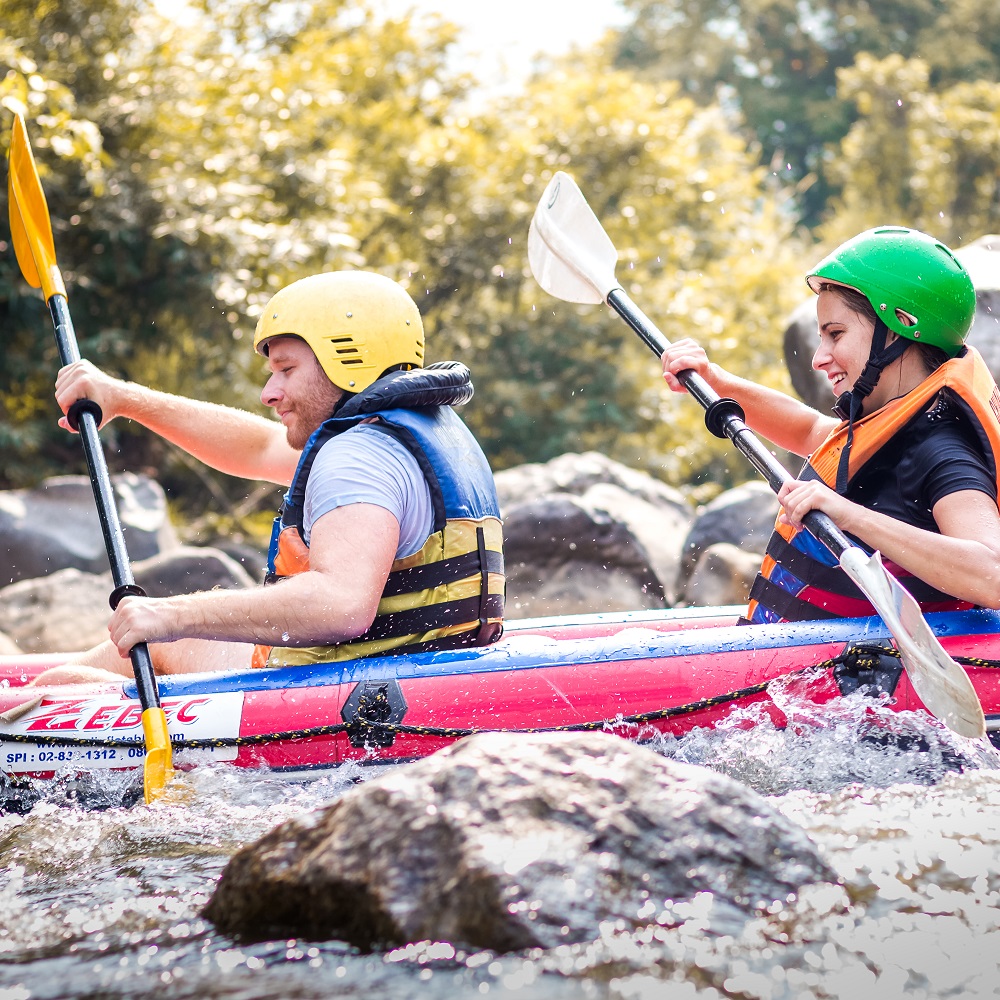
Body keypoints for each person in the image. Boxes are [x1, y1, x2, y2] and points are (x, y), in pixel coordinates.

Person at [34, 270, 505, 685]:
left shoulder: (355, 457)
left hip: (342, 686)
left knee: (57, 687)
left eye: (286, 369)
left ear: (349, 361)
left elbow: (341, 603)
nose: (268, 392)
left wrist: (169, 614)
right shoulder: (407, 434)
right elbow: (257, 448)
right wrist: (123, 397)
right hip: (418, 664)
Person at [661, 226, 1000, 623]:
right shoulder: (888, 425)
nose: (818, 358)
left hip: (868, 662)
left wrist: (848, 514)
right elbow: (807, 430)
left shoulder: (942, 451)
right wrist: (716, 380)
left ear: (900, 325)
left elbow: (992, 574)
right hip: (806, 655)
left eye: (835, 334)